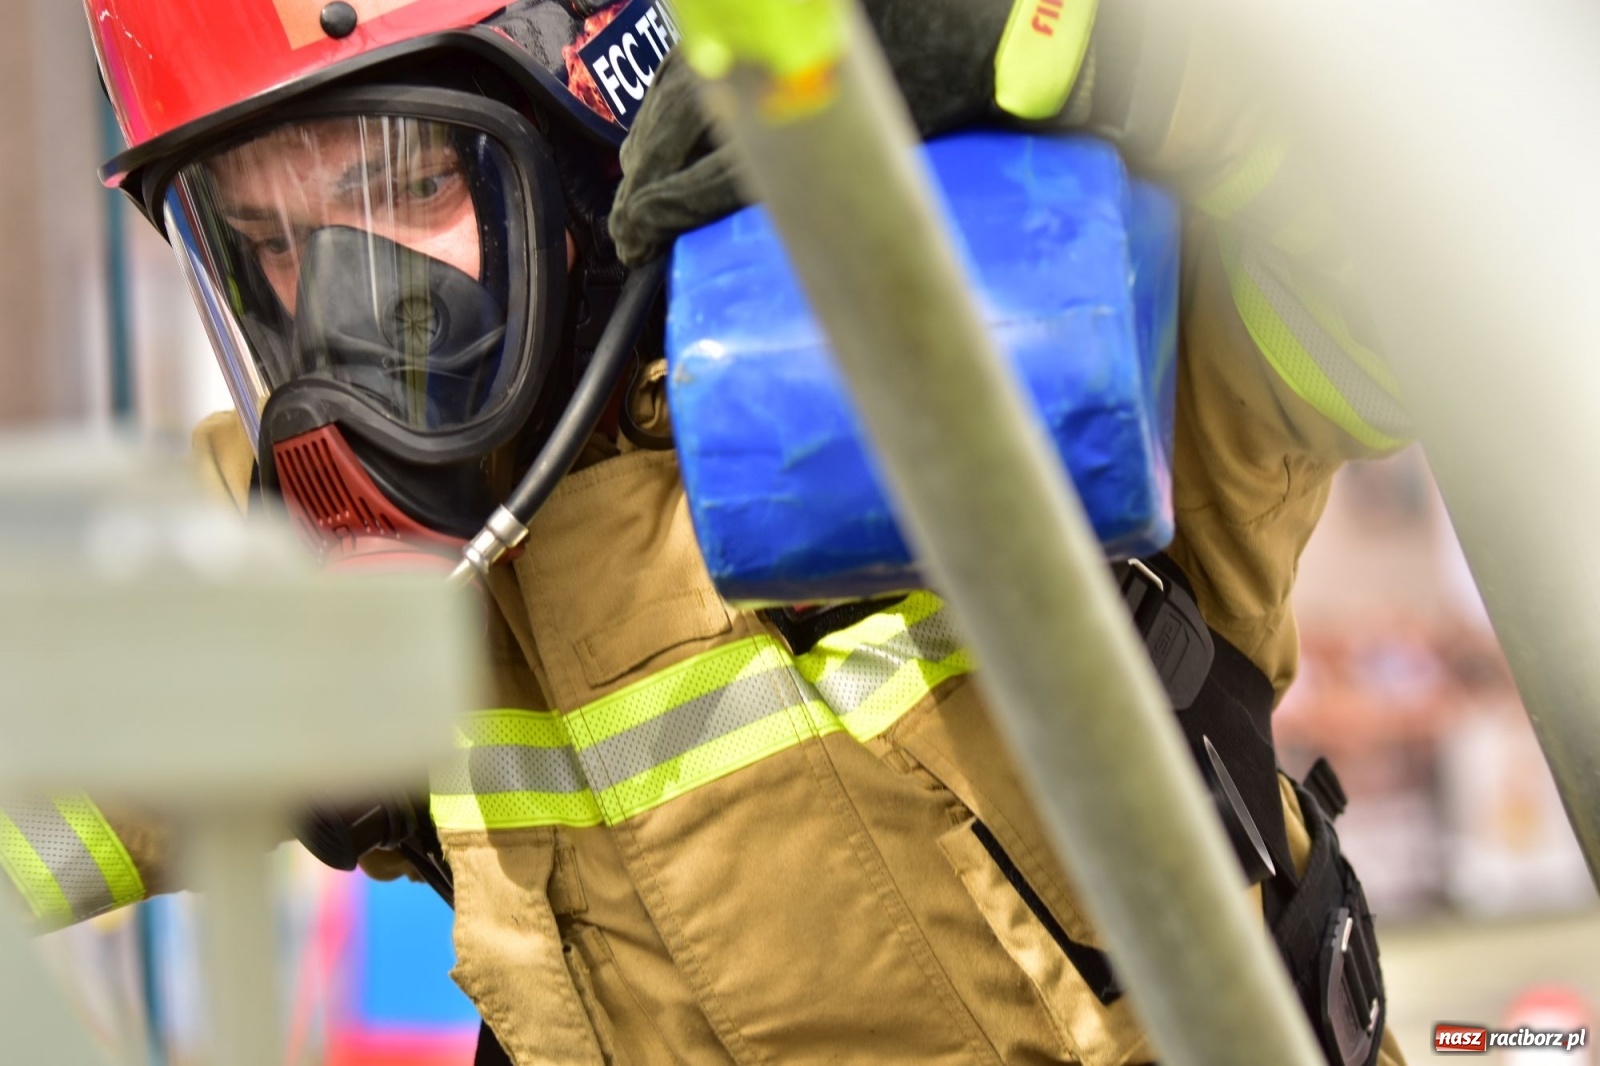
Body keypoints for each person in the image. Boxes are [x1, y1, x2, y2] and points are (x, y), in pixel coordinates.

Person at [1, 0, 1409, 1062]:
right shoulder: (286, 529)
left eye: (404, 189)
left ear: (580, 125)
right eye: (267, 244)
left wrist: (1137, 62)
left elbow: (1479, 277)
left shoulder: (992, 317)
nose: (342, 317)